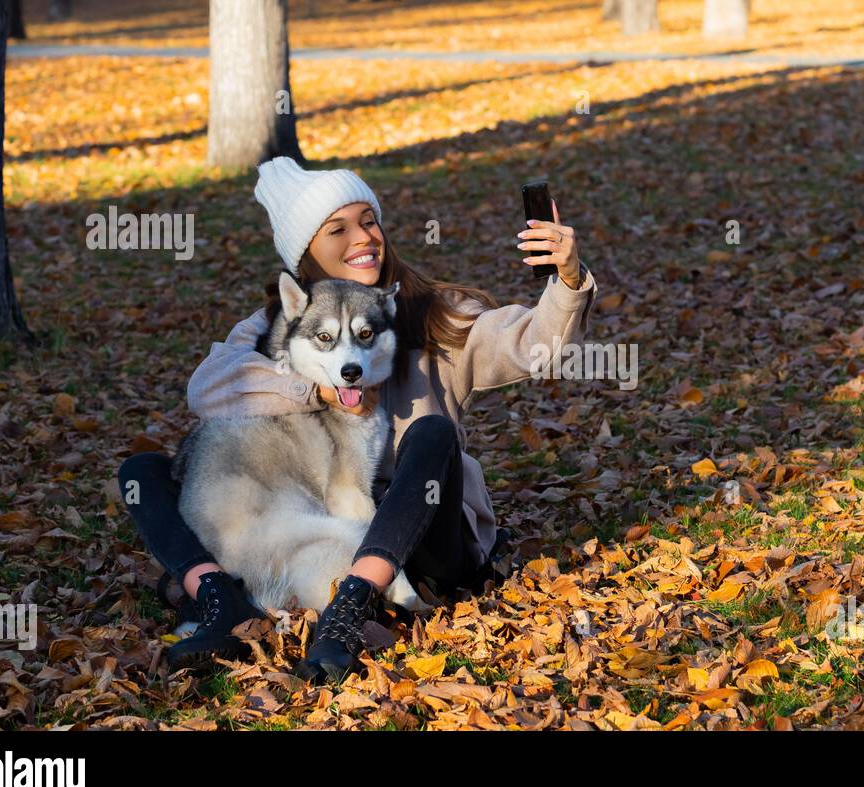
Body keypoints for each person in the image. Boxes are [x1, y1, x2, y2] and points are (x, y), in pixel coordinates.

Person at [119, 156, 598, 681]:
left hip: (425, 540)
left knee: (432, 434)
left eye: (368, 220)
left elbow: (535, 348)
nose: (362, 236)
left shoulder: (430, 311)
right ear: (308, 253)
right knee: (142, 472)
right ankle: (215, 595)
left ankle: (351, 604)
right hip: (327, 531)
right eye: (338, 228)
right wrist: (318, 388)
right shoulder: (279, 325)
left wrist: (568, 280)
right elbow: (209, 386)